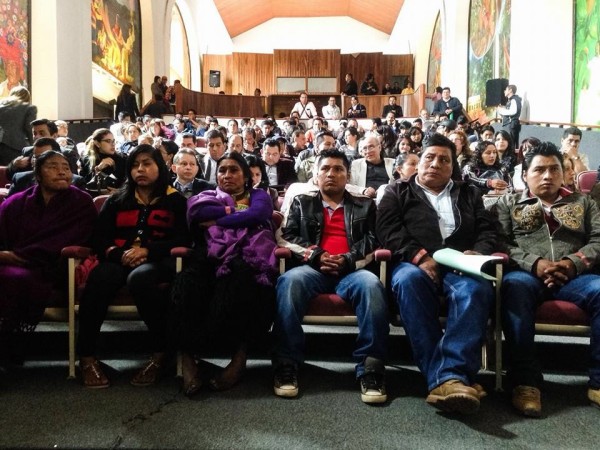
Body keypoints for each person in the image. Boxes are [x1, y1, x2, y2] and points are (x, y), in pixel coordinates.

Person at [377, 133, 499, 414]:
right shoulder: (397, 190)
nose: (435, 164)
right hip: (414, 263)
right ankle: (452, 377)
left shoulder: (469, 192)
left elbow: (487, 229)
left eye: (444, 160)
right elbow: (387, 230)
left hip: (460, 264)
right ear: (419, 162)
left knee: (476, 290)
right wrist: (420, 256)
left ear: (452, 166)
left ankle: (445, 378)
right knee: (407, 282)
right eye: (429, 157)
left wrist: (478, 251)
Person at [272, 149, 389, 403]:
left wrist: (348, 260)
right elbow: (285, 236)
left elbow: (374, 240)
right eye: (325, 169)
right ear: (316, 174)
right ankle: (286, 364)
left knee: (372, 286)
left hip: (352, 271)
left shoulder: (365, 205)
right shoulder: (303, 202)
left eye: (338, 169)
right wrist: (314, 254)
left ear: (348, 176)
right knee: (288, 282)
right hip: (312, 269)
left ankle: (371, 368)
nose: (331, 174)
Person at [497, 141, 600, 416]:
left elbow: (597, 240)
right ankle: (525, 382)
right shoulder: (509, 203)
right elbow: (501, 243)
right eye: (539, 170)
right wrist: (535, 264)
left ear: (563, 173)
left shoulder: (583, 202)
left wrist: (572, 263)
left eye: (554, 169)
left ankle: (598, 381)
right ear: (525, 174)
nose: (547, 176)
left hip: (576, 277)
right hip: (526, 275)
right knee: (513, 288)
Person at [76, 144, 190, 389]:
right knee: (99, 279)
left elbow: (183, 239)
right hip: (118, 259)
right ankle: (86, 357)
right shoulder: (117, 199)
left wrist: (148, 250)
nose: (141, 169)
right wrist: (117, 253)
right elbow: (98, 237)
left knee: (140, 279)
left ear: (159, 167)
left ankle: (161, 354)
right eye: (136, 165)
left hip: (157, 262)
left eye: (147, 164)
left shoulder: (176, 200)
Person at [173, 151, 278, 396]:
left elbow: (259, 214)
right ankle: (188, 360)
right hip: (208, 252)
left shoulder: (259, 195)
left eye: (234, 170)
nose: (227, 175)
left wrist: (220, 219)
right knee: (186, 283)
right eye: (222, 170)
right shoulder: (207, 195)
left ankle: (239, 358)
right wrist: (237, 215)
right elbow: (198, 214)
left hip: (248, 254)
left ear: (245, 176)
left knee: (242, 276)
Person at [0, 150, 96, 364]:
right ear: (38, 173)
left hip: (53, 268)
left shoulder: (81, 202)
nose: (62, 172)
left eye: (66, 168)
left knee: (14, 279)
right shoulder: (16, 202)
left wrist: (19, 256)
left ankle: (7, 351)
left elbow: (78, 238)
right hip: (11, 260)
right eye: (53, 167)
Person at [7, 138, 85, 196]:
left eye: (44, 156)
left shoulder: (75, 182)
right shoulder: (21, 179)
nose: (39, 160)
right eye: (36, 157)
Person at [80, 128, 127, 195]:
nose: (113, 144)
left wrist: (119, 192)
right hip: (95, 197)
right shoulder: (87, 159)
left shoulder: (123, 158)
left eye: (113, 141)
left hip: (120, 198)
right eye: (108, 141)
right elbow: (84, 185)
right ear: (97, 143)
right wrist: (98, 169)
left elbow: (130, 182)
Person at [0, 86, 36, 165]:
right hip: (15, 146)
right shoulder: (29, 108)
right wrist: (34, 146)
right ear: (27, 96)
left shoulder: (1, 105)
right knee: (12, 172)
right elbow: (29, 129)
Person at [497, 84, 521, 149]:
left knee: (511, 144)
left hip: (511, 125)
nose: (504, 91)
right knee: (509, 144)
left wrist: (502, 110)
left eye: (506, 89)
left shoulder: (514, 99)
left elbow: (513, 111)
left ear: (510, 90)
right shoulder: (510, 100)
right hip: (509, 125)